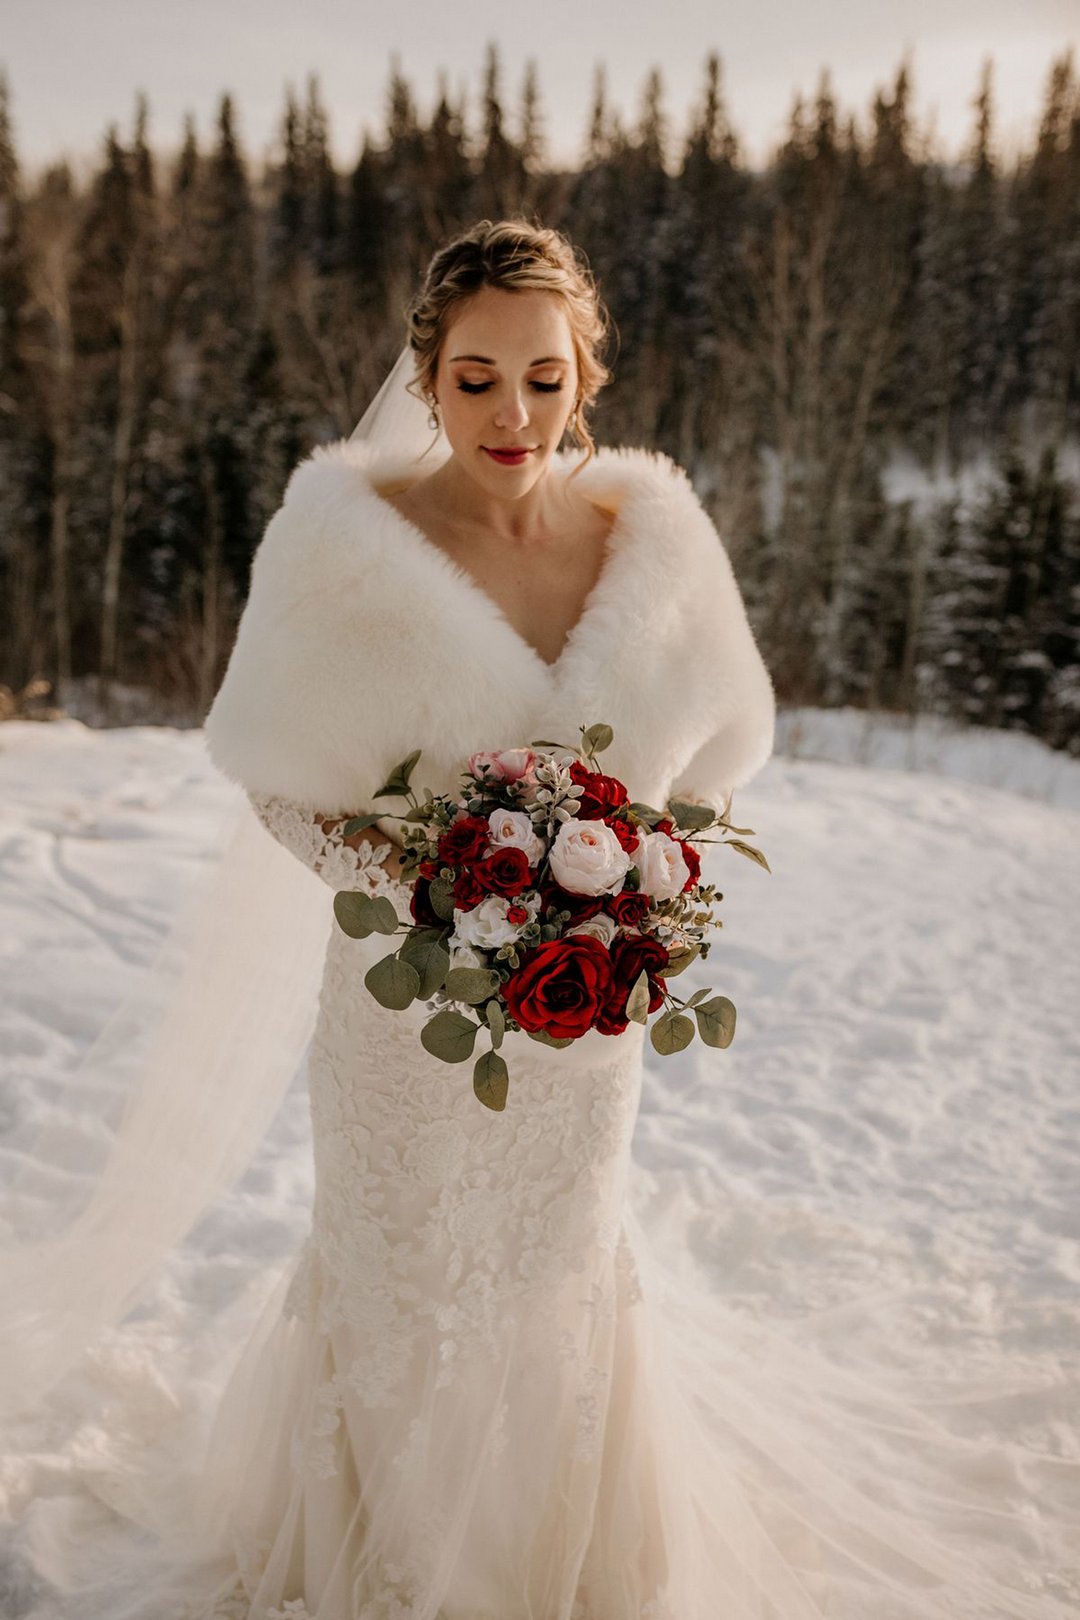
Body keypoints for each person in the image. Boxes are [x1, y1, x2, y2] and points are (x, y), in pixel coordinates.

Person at [1, 219, 1071, 1620]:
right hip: (398, 1019)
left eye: (546, 378)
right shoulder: (347, 546)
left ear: (589, 376)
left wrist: (629, 884)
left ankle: (549, 1562)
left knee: (550, 1289)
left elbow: (712, 771)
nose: (514, 414)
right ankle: (382, 1556)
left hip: (582, 1031)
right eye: (477, 378)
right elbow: (274, 785)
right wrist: (431, 890)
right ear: (427, 378)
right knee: (397, 1280)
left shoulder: (652, 543)